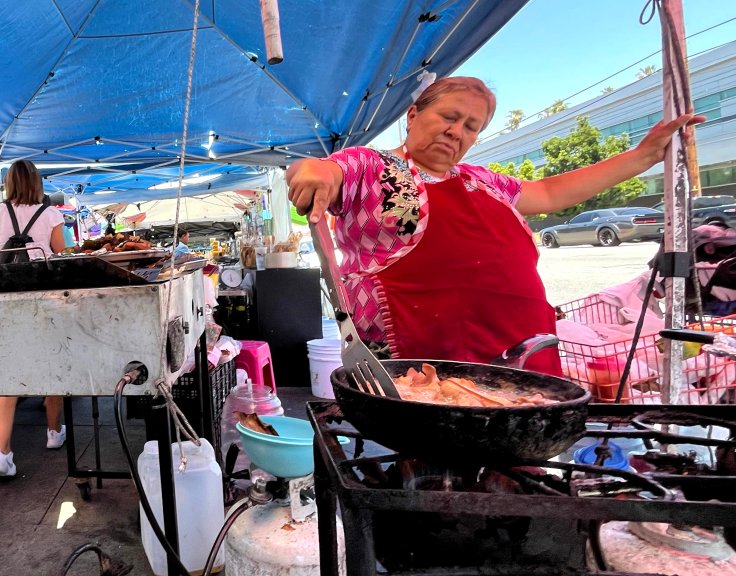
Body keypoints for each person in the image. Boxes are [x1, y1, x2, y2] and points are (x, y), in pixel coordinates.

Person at [286, 76, 703, 375]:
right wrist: (312, 172)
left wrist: (644, 156)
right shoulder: (372, 165)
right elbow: (325, 169)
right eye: (449, 116)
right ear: (413, 115)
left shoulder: (485, 181)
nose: (456, 131)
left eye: (472, 127)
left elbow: (552, 193)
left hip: (514, 356)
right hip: (415, 363)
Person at [0, 159, 67, 476]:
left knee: (6, 370)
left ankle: (1, 452)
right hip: (45, 300)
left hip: (5, 301)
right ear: (38, 183)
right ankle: (54, 432)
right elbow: (62, 256)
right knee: (54, 362)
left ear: (9, 183)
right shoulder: (52, 214)